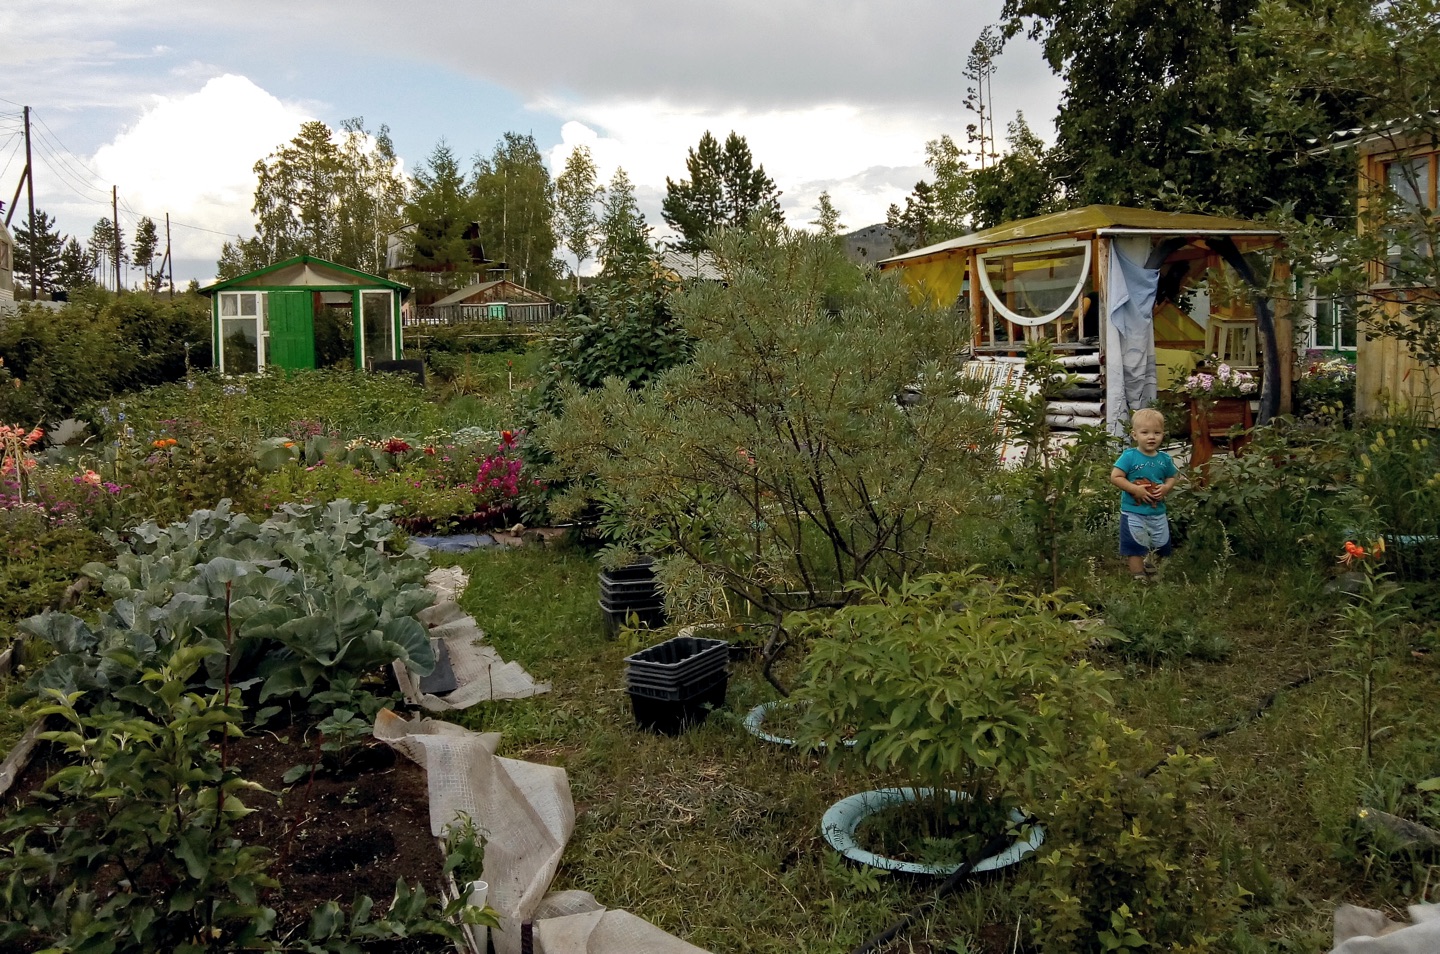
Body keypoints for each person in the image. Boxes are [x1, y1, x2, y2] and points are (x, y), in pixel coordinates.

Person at [1109, 408, 1179, 580]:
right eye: (1145, 432)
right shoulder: (1130, 456)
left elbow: (1173, 476)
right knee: (1134, 545)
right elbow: (1116, 477)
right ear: (1134, 435)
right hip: (1134, 511)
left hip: (1157, 512)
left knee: (1160, 543)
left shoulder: (1164, 459)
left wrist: (1166, 487)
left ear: (1163, 434)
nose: (1151, 437)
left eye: (1157, 433)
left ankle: (1152, 567)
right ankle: (1138, 576)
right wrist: (1135, 489)